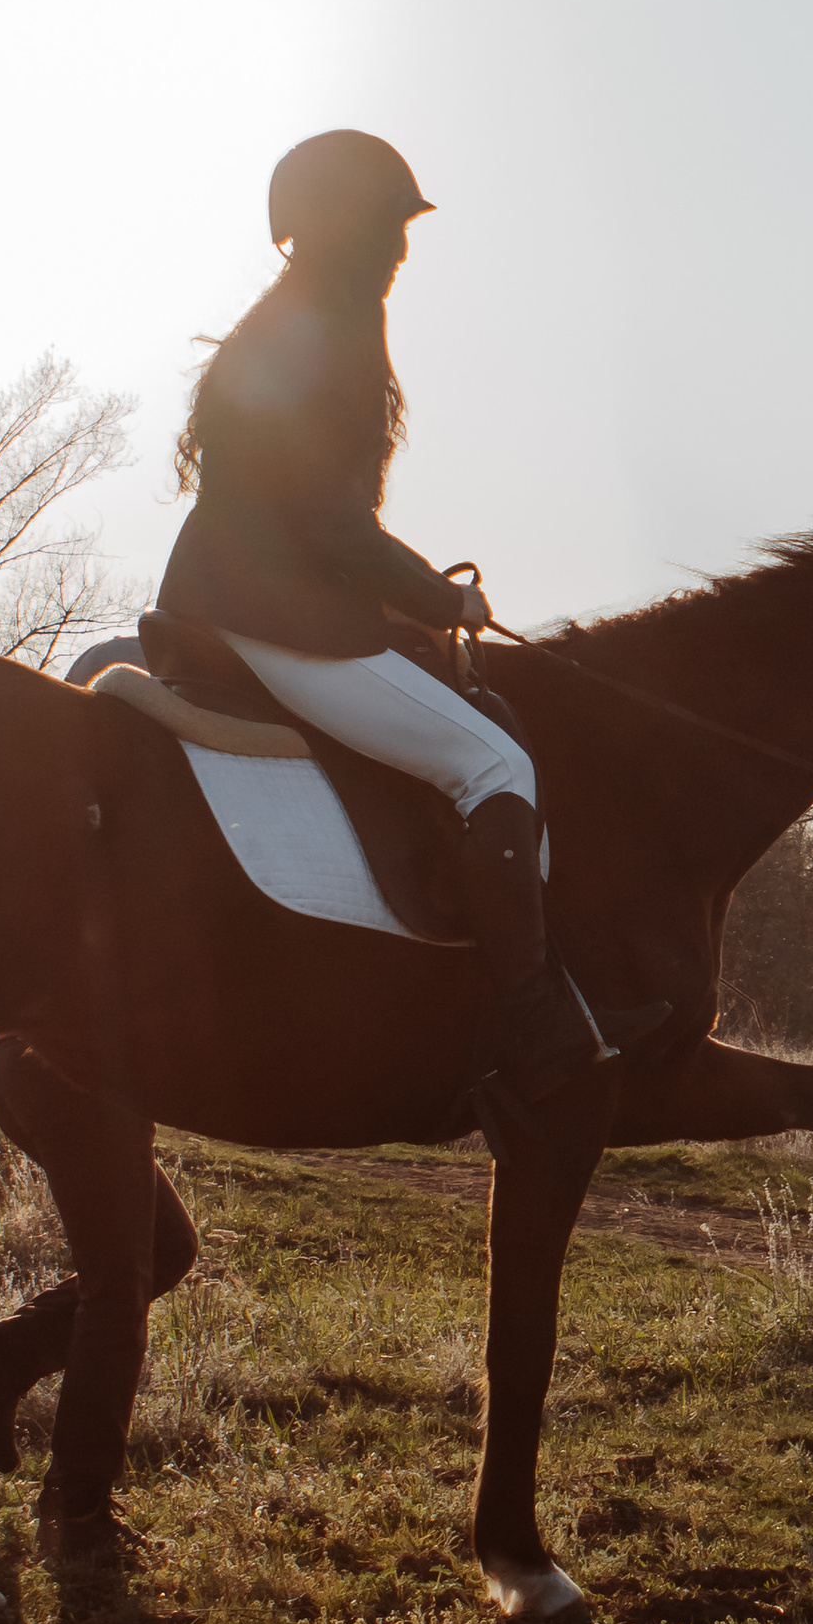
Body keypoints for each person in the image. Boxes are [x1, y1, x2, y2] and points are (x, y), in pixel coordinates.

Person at [158, 129, 606, 1131]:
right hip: (274, 616)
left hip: (228, 596)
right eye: (388, 229)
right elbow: (327, 524)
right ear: (335, 230)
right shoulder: (328, 329)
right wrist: (440, 600)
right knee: (495, 766)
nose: (402, 251)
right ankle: (530, 1021)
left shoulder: (289, 323)